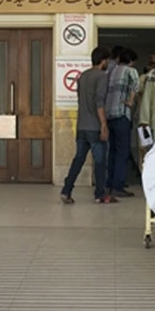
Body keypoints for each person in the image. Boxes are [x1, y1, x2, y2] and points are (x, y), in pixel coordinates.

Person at [60, 47, 118, 205]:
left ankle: (66, 190)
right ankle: (100, 194)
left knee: (78, 159)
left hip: (81, 126)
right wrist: (104, 125)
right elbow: (99, 102)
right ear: (104, 60)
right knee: (100, 162)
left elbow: (82, 100)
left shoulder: (83, 76)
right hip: (94, 126)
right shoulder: (102, 76)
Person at [104, 48, 140, 197]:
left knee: (112, 152)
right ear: (131, 60)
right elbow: (136, 87)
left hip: (109, 116)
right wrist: (131, 101)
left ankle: (109, 184)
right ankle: (118, 186)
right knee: (122, 152)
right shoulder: (131, 71)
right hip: (122, 115)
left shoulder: (110, 71)